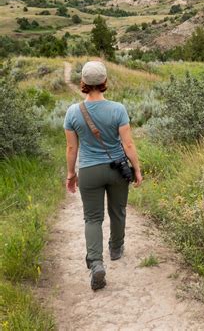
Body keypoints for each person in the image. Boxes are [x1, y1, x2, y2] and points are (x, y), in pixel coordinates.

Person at [63, 60, 143, 290]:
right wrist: (136, 168)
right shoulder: (118, 109)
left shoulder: (72, 112)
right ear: (104, 81)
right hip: (117, 168)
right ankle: (116, 249)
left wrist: (71, 174)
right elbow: (127, 144)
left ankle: (96, 263)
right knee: (118, 211)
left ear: (83, 83)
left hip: (89, 170)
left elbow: (71, 149)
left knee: (92, 218)